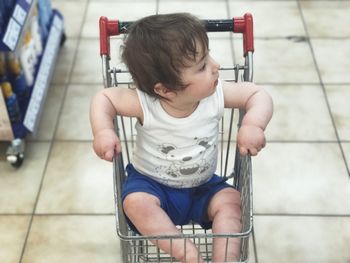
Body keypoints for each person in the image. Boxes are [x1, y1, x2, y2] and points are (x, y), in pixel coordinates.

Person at [90, 13, 273, 263]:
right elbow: (105, 99)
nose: (216, 65)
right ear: (164, 90)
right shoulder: (145, 103)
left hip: (204, 186)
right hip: (152, 186)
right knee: (134, 202)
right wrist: (103, 131)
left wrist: (253, 124)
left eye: (208, 56)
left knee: (231, 201)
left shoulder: (216, 94)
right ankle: (184, 251)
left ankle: (225, 259)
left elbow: (257, 95)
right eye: (202, 66)